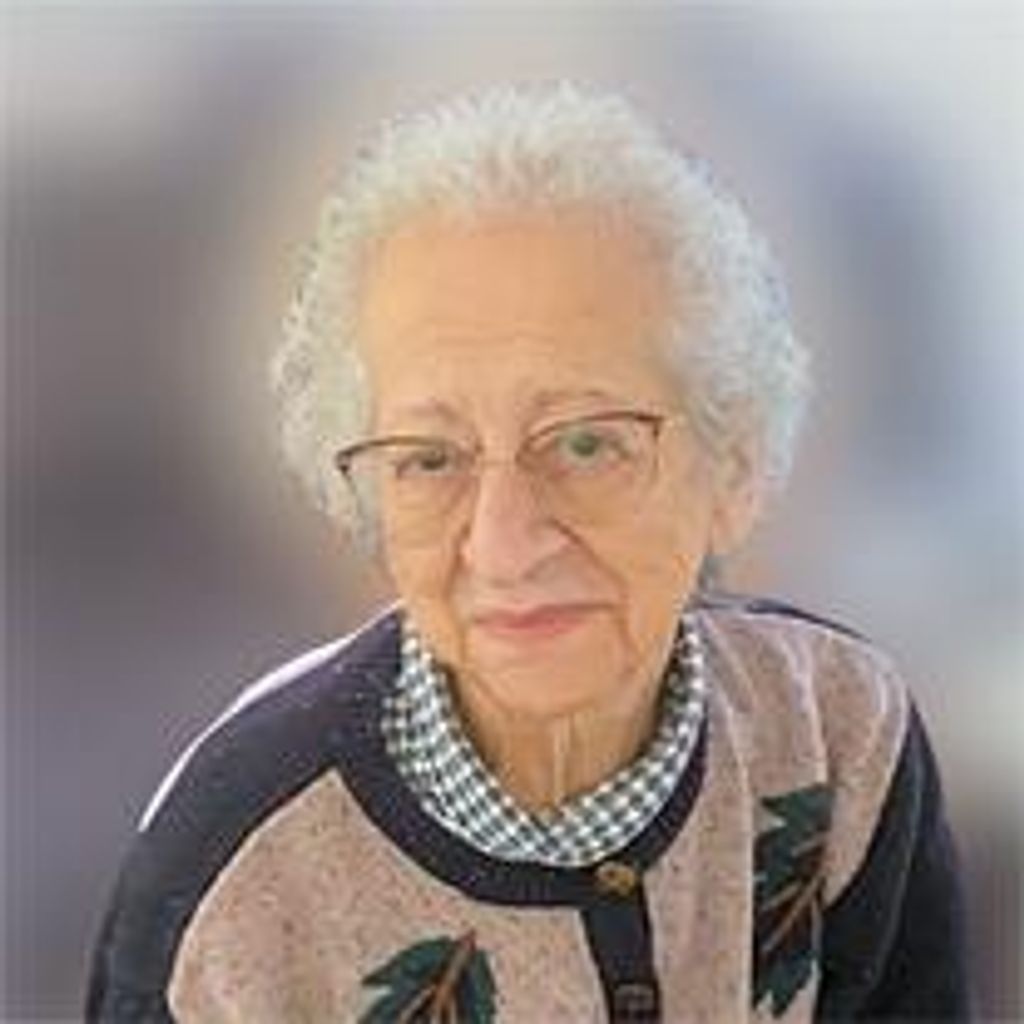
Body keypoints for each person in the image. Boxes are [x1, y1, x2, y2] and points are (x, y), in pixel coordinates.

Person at [86, 82, 971, 1023]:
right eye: (431, 459)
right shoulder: (234, 885)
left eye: (587, 443)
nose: (504, 547)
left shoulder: (838, 731)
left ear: (734, 467)